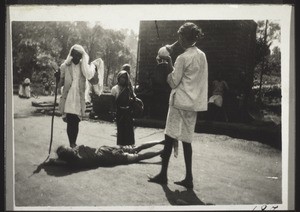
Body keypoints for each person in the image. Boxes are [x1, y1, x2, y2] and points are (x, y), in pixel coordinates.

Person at [148, 22, 208, 189]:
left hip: (179, 102)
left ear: (185, 37)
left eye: (181, 36)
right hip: (192, 104)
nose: (179, 39)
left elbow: (174, 82)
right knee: (187, 141)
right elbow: (190, 79)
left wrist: (168, 63)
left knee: (169, 138)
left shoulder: (182, 58)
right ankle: (189, 177)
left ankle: (163, 175)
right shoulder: (201, 55)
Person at [55, 44, 99, 148]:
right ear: (71, 54)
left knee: (76, 121)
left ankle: (73, 142)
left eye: (79, 56)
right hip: (69, 96)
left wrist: (95, 71)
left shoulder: (84, 67)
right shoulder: (65, 66)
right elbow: (60, 84)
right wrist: (57, 77)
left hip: (79, 97)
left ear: (81, 56)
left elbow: (93, 80)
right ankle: (72, 143)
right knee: (70, 120)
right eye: (74, 55)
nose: (76, 57)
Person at [44, 140, 165, 168]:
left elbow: (56, 161)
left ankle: (162, 151)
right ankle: (161, 142)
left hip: (109, 158)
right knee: (137, 148)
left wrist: (52, 162)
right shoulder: (79, 149)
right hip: (105, 149)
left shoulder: (75, 162)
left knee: (139, 156)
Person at [111, 70, 136, 146]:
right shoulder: (114, 89)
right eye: (121, 77)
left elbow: (134, 99)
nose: (123, 79)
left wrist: (131, 100)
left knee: (129, 130)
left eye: (125, 78)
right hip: (120, 112)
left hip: (128, 112)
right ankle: (121, 147)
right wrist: (113, 112)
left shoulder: (129, 89)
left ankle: (130, 146)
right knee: (121, 130)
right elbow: (112, 102)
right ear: (118, 78)